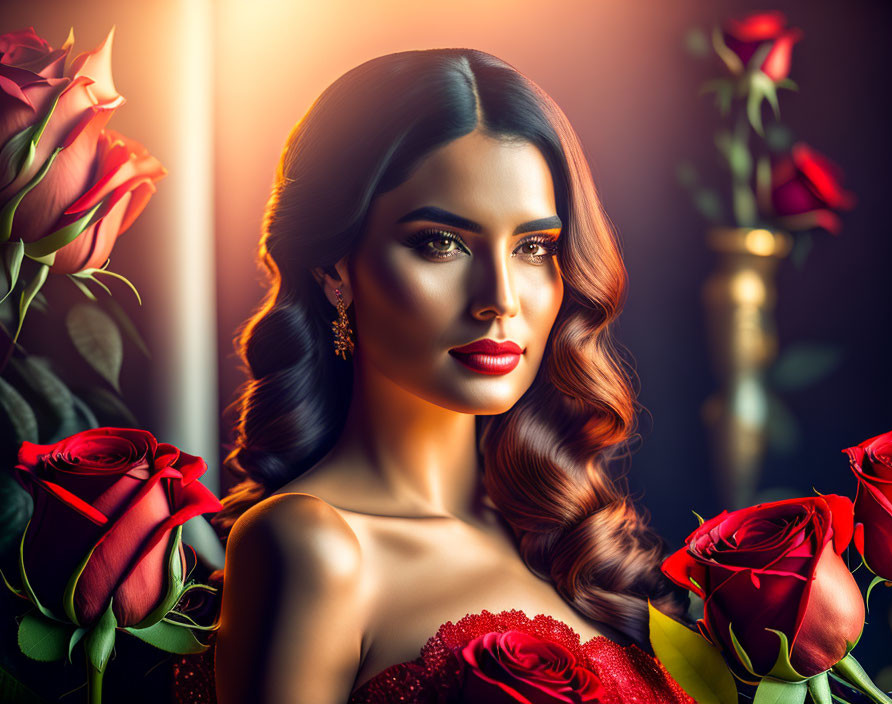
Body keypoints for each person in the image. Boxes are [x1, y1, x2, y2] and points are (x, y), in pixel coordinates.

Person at [210, 47, 689, 704]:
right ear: (333, 269)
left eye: (533, 248)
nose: (499, 298)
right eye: (442, 242)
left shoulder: (562, 538)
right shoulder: (310, 548)